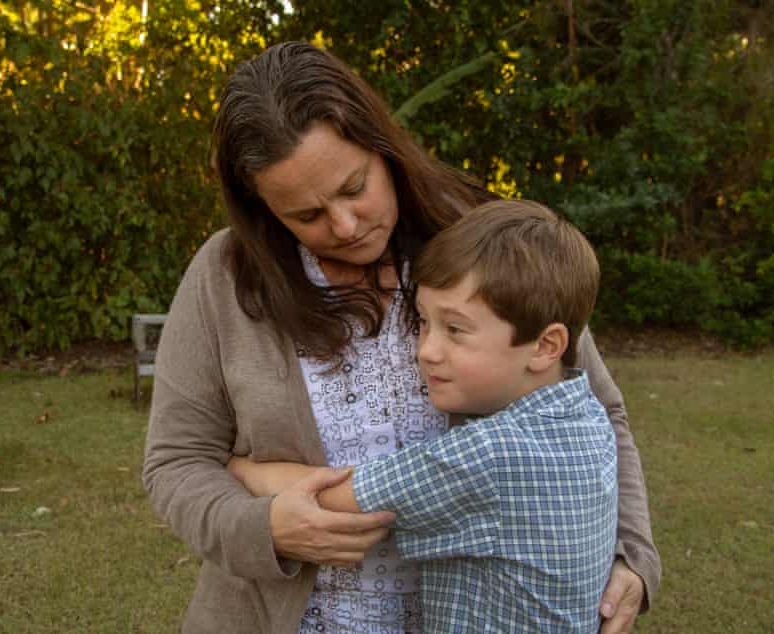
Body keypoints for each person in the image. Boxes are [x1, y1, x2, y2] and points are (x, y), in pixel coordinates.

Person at [142, 41, 660, 634]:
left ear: (382, 147)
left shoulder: (493, 247)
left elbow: (596, 408)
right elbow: (177, 462)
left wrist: (632, 556)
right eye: (305, 216)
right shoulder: (226, 278)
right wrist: (264, 529)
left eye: (353, 187)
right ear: (265, 212)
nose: (343, 225)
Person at [229, 200, 618, 632]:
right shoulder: (587, 418)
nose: (426, 350)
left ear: (546, 346)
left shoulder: (491, 454)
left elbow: (336, 498)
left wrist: (240, 467)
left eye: (455, 329)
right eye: (423, 323)